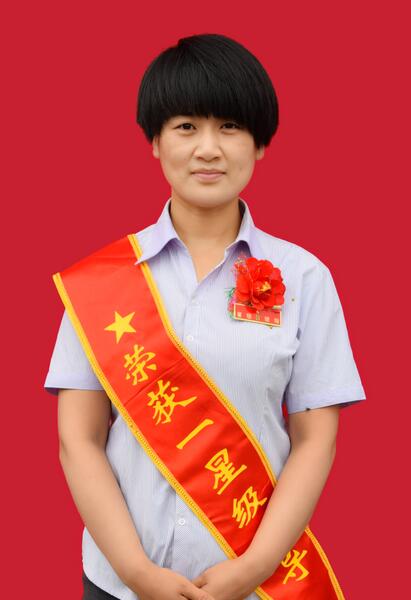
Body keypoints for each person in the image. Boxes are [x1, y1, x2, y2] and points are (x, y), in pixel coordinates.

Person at [44, 33, 366, 600]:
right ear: (155, 141)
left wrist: (253, 567)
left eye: (230, 127)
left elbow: (316, 440)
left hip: (258, 585)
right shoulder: (100, 281)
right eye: (186, 127)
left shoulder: (304, 277)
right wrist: (137, 573)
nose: (209, 149)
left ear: (260, 143)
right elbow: (79, 440)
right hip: (118, 585)